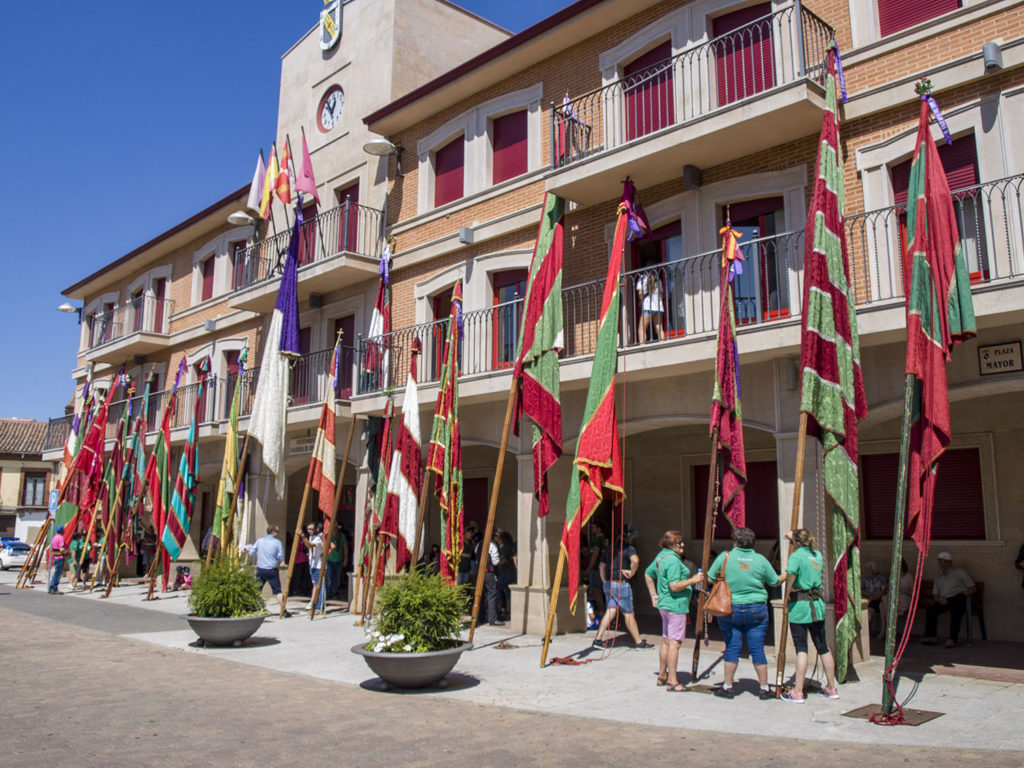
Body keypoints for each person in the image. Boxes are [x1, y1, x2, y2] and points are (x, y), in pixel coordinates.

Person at [707, 526, 781, 699]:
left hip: (730, 607)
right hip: (757, 607)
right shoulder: (761, 560)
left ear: (736, 542)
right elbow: (774, 581)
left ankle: (727, 686)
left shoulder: (725, 557)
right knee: (757, 648)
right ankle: (764, 687)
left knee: (732, 646)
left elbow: (710, 578)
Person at [779, 529, 839, 703]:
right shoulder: (817, 555)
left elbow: (791, 576)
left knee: (801, 648)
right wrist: (794, 537)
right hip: (817, 605)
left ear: (796, 541)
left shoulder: (796, 556)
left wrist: (788, 591)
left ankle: (797, 691)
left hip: (800, 606)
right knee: (823, 646)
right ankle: (831, 687)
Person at [644, 531, 703, 691]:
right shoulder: (674, 562)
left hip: (664, 604)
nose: (683, 545)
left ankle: (662, 675)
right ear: (672, 545)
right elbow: (674, 586)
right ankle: (672, 680)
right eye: (679, 543)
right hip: (675, 605)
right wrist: (693, 580)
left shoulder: (661, 557)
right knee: (674, 644)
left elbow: (648, 574)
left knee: (666, 641)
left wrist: (654, 595)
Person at [594, 524, 653, 648]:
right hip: (621, 584)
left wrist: (605, 581)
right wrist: (632, 572)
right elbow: (635, 561)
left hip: (609, 583)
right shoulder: (629, 548)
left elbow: (601, 566)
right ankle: (638, 642)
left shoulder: (608, 548)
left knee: (611, 611)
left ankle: (598, 639)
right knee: (628, 613)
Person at [922, 552, 975, 648]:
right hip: (944, 600)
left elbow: (972, 588)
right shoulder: (938, 576)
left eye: (945, 562)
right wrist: (939, 599)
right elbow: (935, 594)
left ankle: (952, 639)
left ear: (950, 563)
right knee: (931, 610)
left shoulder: (959, 572)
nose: (943, 565)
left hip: (958, 598)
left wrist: (965, 593)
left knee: (956, 610)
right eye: (941, 562)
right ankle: (931, 636)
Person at [246, 525, 290, 616]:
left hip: (261, 569)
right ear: (273, 531)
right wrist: (277, 564)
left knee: (257, 590)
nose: (278, 533)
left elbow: (251, 553)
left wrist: (247, 549)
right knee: (278, 591)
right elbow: (281, 557)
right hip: (272, 569)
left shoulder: (260, 541)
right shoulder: (277, 543)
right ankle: (283, 610)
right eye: (277, 532)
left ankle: (252, 608)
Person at [586, 522, 609, 625]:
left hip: (596, 569)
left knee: (597, 592)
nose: (591, 530)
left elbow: (595, 555)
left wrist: (588, 569)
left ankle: (602, 612)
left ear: (599, 529)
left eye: (593, 528)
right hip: (604, 569)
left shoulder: (597, 540)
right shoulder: (605, 540)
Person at [636, 266, 664, 343]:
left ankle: (643, 347)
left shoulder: (642, 278)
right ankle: (663, 343)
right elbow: (661, 295)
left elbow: (640, 294)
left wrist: (641, 298)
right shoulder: (658, 279)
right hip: (658, 306)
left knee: (641, 329)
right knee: (659, 327)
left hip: (648, 306)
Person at [303, 523, 325, 612]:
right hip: (312, 564)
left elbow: (310, 545)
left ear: (316, 529)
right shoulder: (311, 537)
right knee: (315, 584)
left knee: (319, 585)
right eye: (308, 529)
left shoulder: (319, 538)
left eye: (311, 529)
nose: (309, 531)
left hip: (318, 565)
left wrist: (303, 536)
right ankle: (313, 602)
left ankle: (320, 606)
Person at [861, 561, 887, 638]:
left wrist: (875, 597)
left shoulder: (881, 578)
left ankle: (882, 631)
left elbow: (883, 590)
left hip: (879, 600)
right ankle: (865, 633)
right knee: (868, 612)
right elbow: (861, 589)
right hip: (870, 600)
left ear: (874, 569)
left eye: (869, 569)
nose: (868, 571)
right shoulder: (866, 579)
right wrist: (869, 595)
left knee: (878, 606)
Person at [497, 530, 517, 622]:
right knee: (507, 592)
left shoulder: (504, 548)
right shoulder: (511, 547)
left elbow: (503, 559)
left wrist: (496, 563)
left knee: (498, 590)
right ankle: (508, 611)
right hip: (511, 572)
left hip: (505, 572)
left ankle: (501, 610)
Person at [484, 532, 503, 626]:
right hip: (489, 572)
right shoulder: (492, 545)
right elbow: (495, 562)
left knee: (482, 595)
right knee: (492, 594)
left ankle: (480, 617)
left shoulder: (480, 544)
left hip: (480, 572)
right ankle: (492, 618)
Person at [326, 526, 348, 600]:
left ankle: (335, 592)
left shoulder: (342, 536)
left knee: (337, 578)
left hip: (339, 560)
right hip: (329, 560)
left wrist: (345, 559)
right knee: (329, 578)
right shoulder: (328, 536)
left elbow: (345, 547)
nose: (334, 530)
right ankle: (329, 593)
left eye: (335, 528)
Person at [48, 524, 68, 594]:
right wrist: (66, 552)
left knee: (56, 573)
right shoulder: (60, 538)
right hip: (59, 557)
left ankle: (51, 587)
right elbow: (61, 548)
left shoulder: (54, 537)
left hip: (55, 557)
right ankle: (54, 588)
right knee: (58, 573)